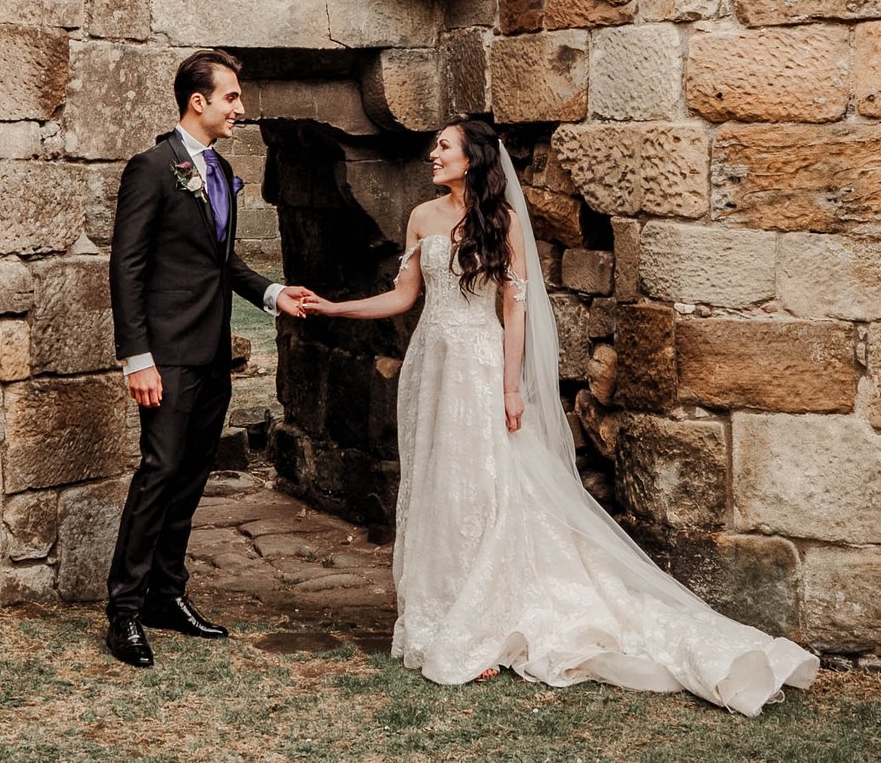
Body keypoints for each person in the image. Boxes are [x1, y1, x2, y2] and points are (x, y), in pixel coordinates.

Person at [299, 117, 819, 714]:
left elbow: (515, 313)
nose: (433, 153)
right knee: (441, 484)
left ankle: (488, 616)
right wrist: (336, 307)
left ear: (472, 158)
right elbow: (404, 296)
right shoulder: (422, 216)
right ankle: (443, 607)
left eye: (444, 146)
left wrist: (512, 387)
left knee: (486, 484)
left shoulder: (507, 224)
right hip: (433, 366)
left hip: (481, 365)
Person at [103, 48, 314, 669]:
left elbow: (224, 264)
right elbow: (126, 266)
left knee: (191, 477)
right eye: (231, 98)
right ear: (198, 102)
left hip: (210, 353)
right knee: (159, 472)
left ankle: (168, 595)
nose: (240, 109)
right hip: (163, 356)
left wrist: (275, 293)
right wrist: (136, 356)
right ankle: (124, 610)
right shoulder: (152, 167)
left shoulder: (220, 171)